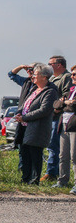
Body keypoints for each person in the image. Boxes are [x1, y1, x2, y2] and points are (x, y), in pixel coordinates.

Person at [11, 63, 59, 185]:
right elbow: (25, 103)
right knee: (25, 152)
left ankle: (34, 180)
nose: (33, 76)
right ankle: (25, 178)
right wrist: (19, 113)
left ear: (44, 76)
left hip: (37, 127)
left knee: (35, 153)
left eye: (36, 74)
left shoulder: (51, 91)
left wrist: (25, 117)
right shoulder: (34, 88)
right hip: (25, 126)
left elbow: (44, 110)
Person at [44, 55, 72, 183]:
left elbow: (66, 97)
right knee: (52, 146)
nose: (48, 66)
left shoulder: (66, 77)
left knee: (55, 146)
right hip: (52, 116)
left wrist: (57, 108)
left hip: (59, 116)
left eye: (51, 63)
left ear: (59, 65)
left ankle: (52, 173)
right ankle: (54, 174)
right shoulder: (53, 78)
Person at [54, 64, 76, 190]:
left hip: (74, 126)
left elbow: (72, 106)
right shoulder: (70, 89)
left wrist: (64, 103)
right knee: (63, 155)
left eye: (74, 74)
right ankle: (62, 180)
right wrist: (64, 102)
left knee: (74, 156)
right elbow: (56, 104)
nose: (72, 76)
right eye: (72, 74)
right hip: (64, 125)